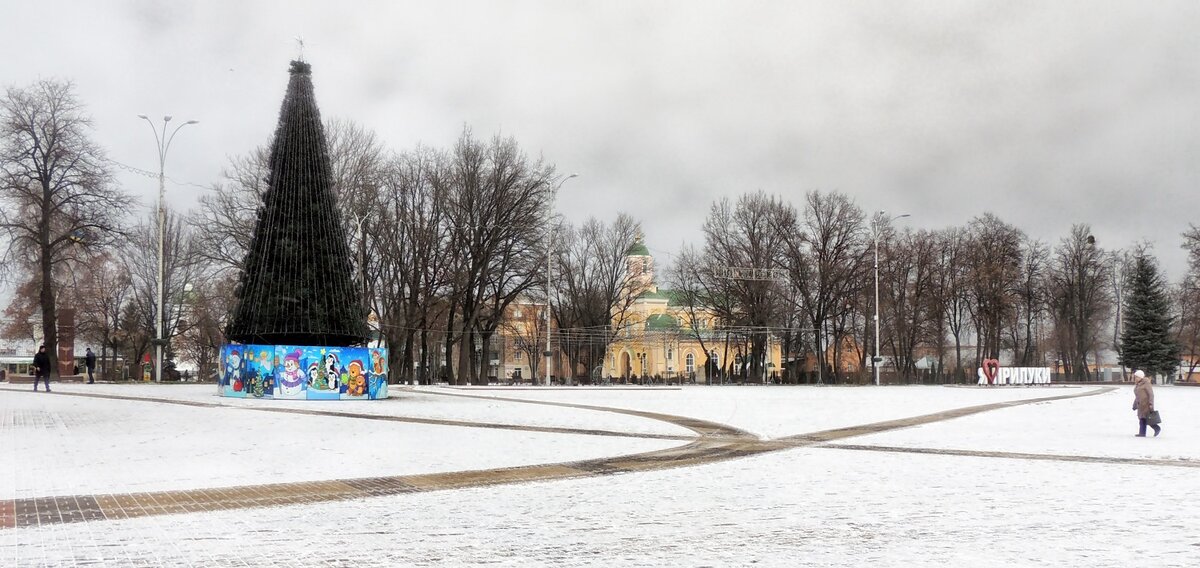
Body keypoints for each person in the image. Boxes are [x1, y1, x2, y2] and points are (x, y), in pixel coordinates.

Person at [1132, 370, 1160, 437]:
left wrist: (1151, 404)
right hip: (1140, 405)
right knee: (1142, 419)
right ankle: (1142, 433)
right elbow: (1137, 396)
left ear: (1141, 377)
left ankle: (1157, 428)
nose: (1135, 378)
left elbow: (1151, 394)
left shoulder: (1146, 383)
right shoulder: (1138, 385)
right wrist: (1134, 404)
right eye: (1135, 377)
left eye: (1137, 377)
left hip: (1146, 404)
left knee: (1147, 419)